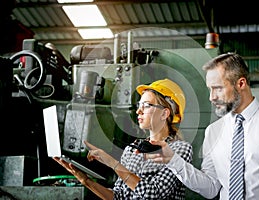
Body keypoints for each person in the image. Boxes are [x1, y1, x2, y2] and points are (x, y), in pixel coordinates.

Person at [147, 53, 259, 199]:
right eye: (209, 89)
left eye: (218, 88)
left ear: (241, 83)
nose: (211, 97)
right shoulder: (213, 131)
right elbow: (211, 188)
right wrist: (173, 160)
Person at [53, 78, 193, 199]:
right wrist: (86, 181)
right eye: (139, 105)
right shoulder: (132, 149)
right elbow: (118, 196)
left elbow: (154, 194)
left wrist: (113, 163)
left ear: (164, 113)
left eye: (146, 105)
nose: (139, 111)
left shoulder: (180, 149)